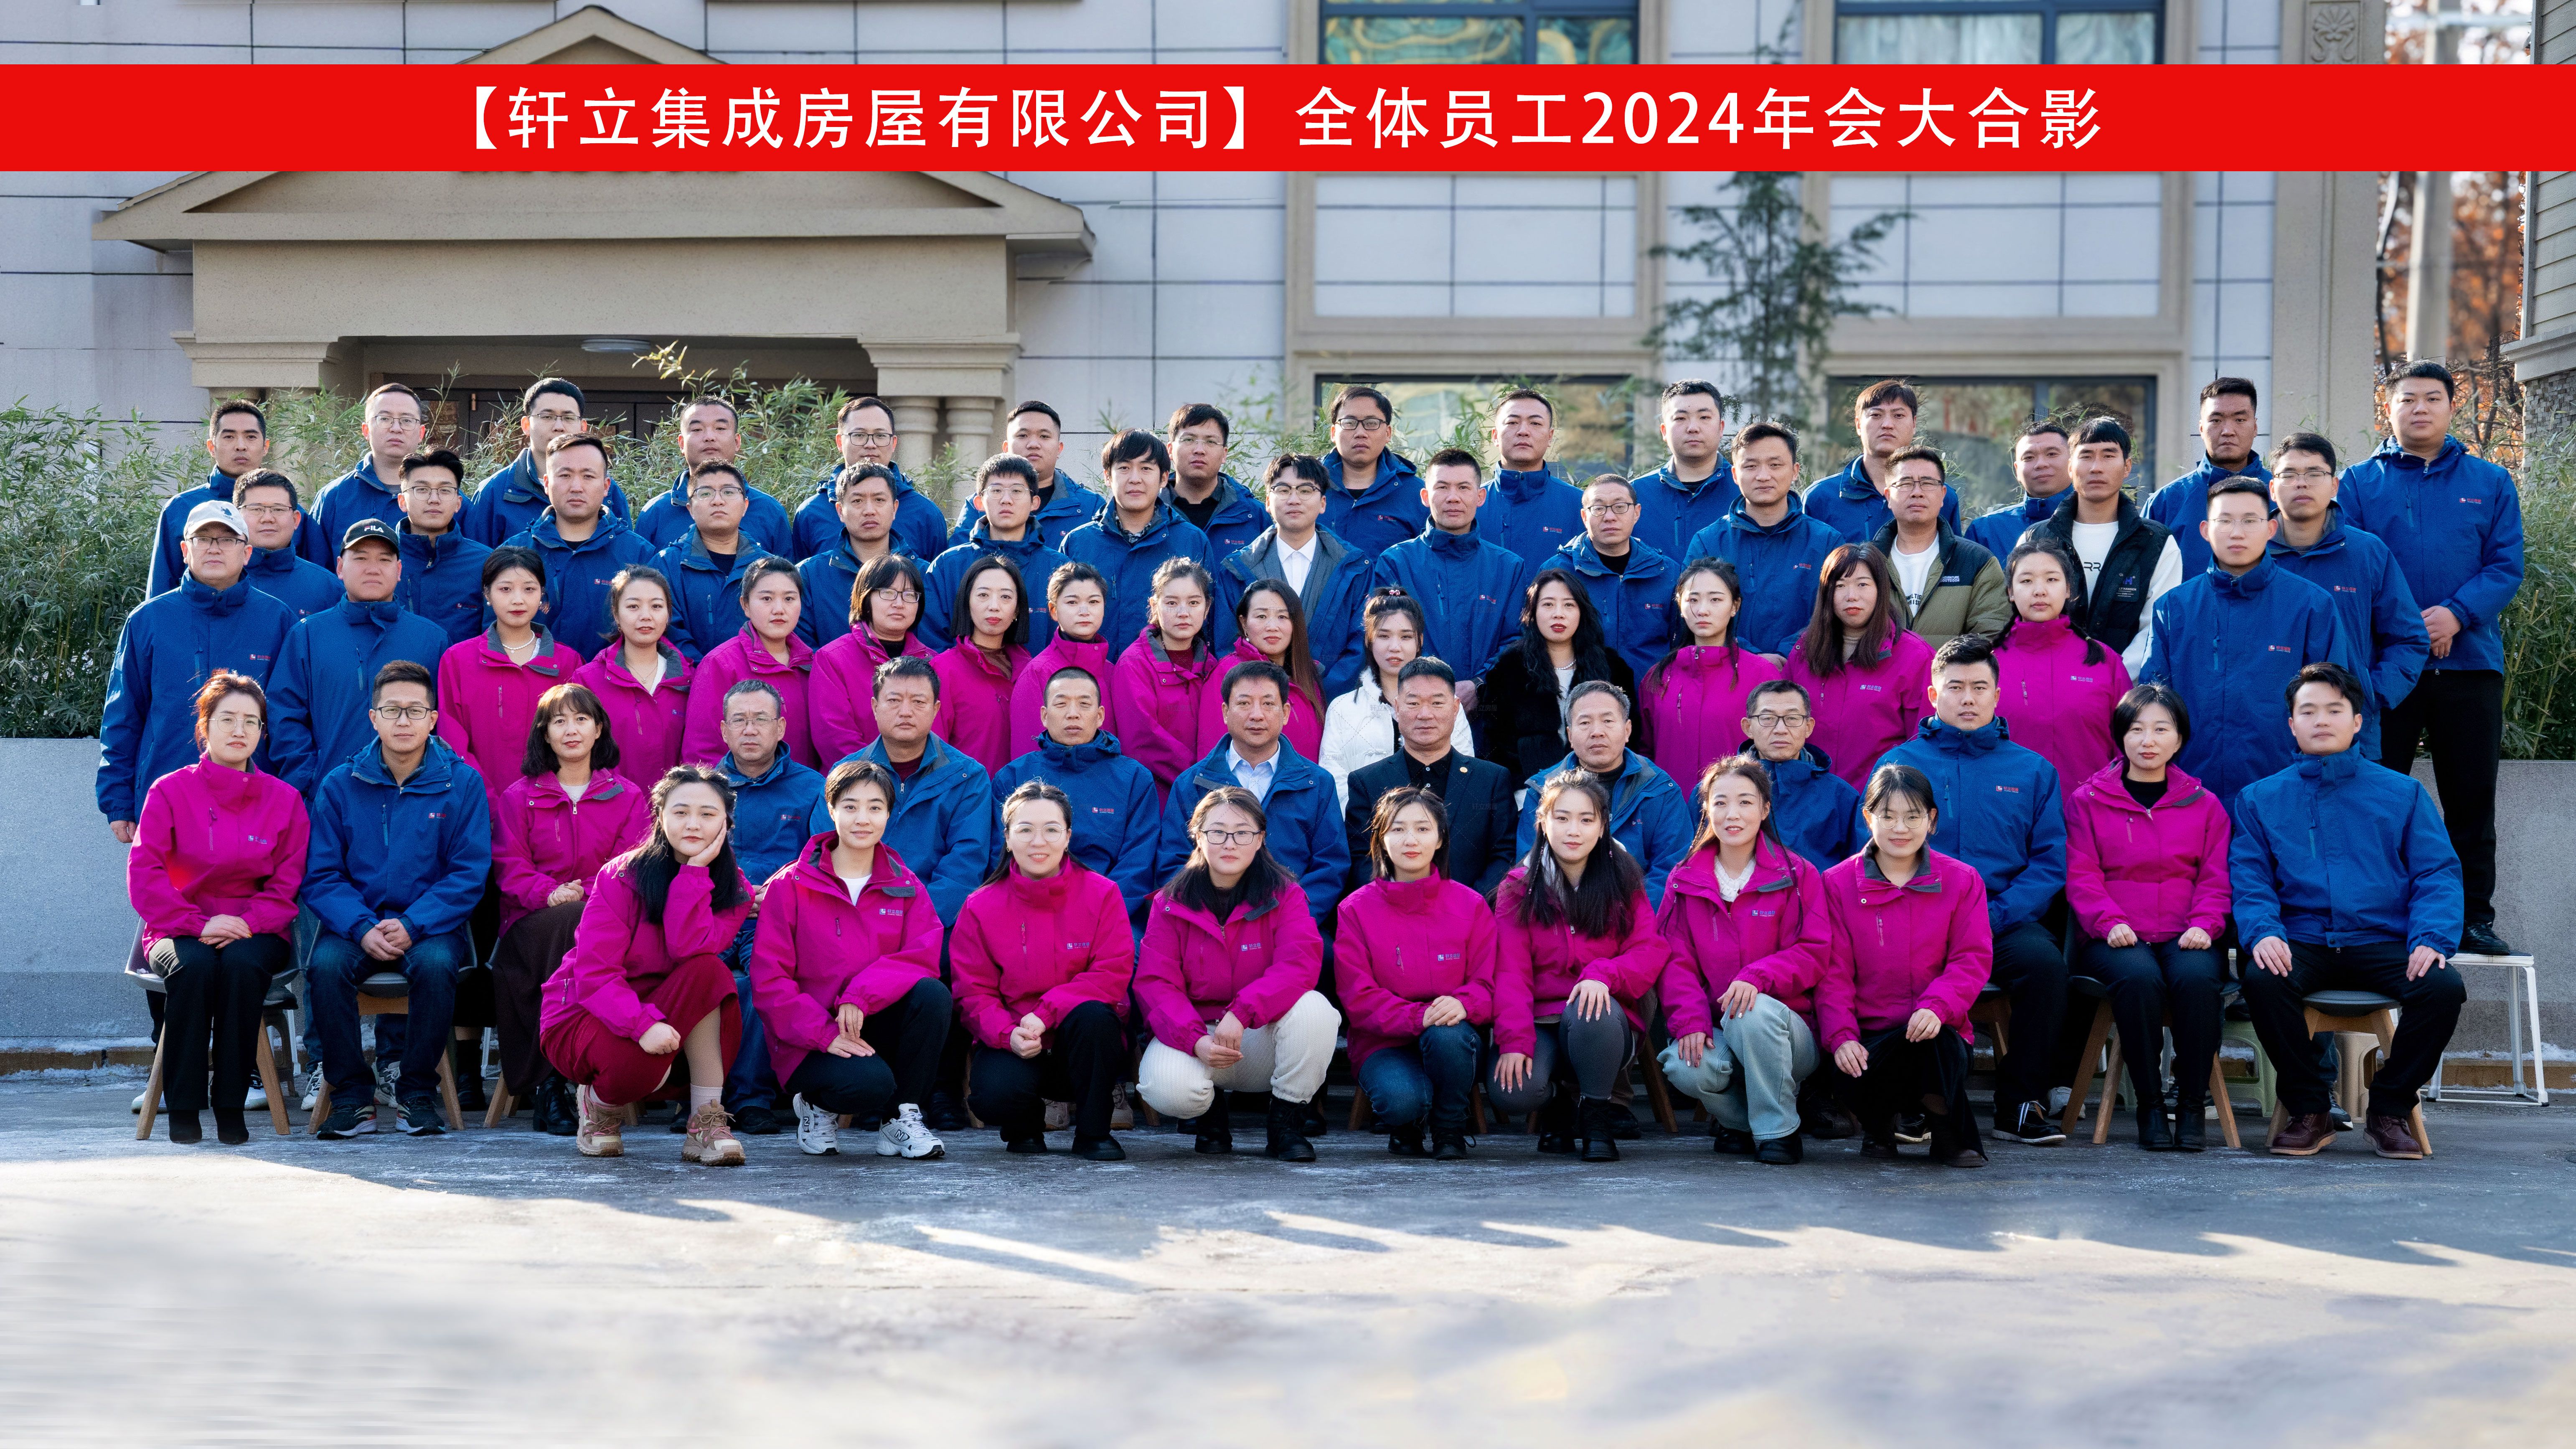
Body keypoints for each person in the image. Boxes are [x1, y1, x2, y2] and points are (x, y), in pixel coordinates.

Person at [2234, 662, 2465, 1160]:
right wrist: (2263, 932)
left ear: (2357, 721)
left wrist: (2431, 937)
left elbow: (2436, 873)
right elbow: (2250, 879)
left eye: (2334, 710)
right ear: (2291, 723)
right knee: (2261, 978)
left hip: (2380, 940)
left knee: (2442, 987)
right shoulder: (2260, 798)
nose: (2321, 720)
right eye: (2308, 711)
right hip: (2304, 939)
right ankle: (2309, 1109)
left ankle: (2389, 1107)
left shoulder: (2402, 793)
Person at [2337, 360, 2523, 956]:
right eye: (2407, 399)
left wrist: (2455, 614)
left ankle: (2472, 917)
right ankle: (2380, 914)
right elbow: (2353, 565)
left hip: (2469, 664)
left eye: (2431, 398)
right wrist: (2412, 630)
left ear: (2450, 406)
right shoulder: (2357, 484)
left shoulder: (2490, 481)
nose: (2419, 408)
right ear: (2387, 408)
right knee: (2377, 795)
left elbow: (2504, 565)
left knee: (2470, 798)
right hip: (2388, 669)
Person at [1872, 634, 2070, 1146]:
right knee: (1891, 965)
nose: (1967, 698)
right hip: (1915, 919)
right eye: (1955, 687)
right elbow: (1873, 851)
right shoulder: (1899, 766)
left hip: (2000, 921)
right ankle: (1912, 1099)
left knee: (2045, 967)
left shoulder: (2033, 771)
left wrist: (1994, 915)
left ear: (1996, 695)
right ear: (1933, 695)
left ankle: (2020, 1104)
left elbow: (2049, 864)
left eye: (1979, 687)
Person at [302, 660, 490, 1139]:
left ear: (433, 718)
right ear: (374, 718)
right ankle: (352, 1098)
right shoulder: (340, 784)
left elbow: (468, 872)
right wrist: (361, 926)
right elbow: (322, 875)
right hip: (355, 924)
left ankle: (416, 1093)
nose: (403, 721)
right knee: (325, 967)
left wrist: (414, 923)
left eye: (415, 710)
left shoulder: (462, 783)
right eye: (392, 710)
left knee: (435, 966)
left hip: (430, 925)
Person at [539, 764, 757, 1164]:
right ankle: (598, 1106)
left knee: (710, 971)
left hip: (664, 1009)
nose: (694, 824)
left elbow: (689, 948)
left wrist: (694, 873)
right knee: (641, 1067)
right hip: (587, 1011)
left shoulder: (734, 891)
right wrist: (642, 1024)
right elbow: (595, 973)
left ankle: (705, 1122)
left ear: (727, 822)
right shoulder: (621, 876)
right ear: (660, 816)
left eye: (708, 814)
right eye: (681, 812)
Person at [126, 672, 308, 1145]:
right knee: (195, 967)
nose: (239, 730)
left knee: (242, 968)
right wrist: (199, 922)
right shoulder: (168, 791)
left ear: (263, 731)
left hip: (257, 930)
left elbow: (286, 885)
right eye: (227, 719)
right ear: (205, 726)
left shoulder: (285, 800)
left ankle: (231, 1104)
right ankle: (183, 1105)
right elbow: (146, 876)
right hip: (177, 925)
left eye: (251, 721)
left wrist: (245, 921)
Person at [748, 759, 954, 1161]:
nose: (863, 819)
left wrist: (860, 996)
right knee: (869, 1086)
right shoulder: (791, 885)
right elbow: (771, 982)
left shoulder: (905, 884)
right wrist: (825, 1033)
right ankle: (816, 1106)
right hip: (808, 1036)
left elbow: (921, 958)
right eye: (850, 806)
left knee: (933, 995)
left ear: (889, 814)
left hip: (874, 1021)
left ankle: (900, 1119)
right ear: (831, 810)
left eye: (875, 807)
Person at [2064, 682, 2233, 1151]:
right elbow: (2082, 875)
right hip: (2116, 935)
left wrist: (2204, 924)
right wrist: (2108, 921)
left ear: (2179, 738)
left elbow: (2216, 878)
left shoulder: (2205, 804)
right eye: (2136, 729)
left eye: (2161, 729)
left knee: (2197, 981)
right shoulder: (2087, 801)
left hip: (2187, 932)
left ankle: (2193, 1105)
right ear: (2121, 735)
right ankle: (2151, 1105)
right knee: (2138, 979)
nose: (2148, 740)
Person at [1133, 786, 1339, 1159]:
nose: (1229, 843)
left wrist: (1242, 1012)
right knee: (1166, 1087)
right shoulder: (1170, 902)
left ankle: (1286, 1125)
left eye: (1242, 832)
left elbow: (1298, 965)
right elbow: (1156, 984)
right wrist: (1194, 1038)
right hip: (1198, 1036)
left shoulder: (1286, 895)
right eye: (1217, 832)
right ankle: (1211, 1118)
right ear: (1198, 835)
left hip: (1260, 1036)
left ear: (1260, 839)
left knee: (1316, 1011)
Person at [488, 683, 650, 1139]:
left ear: (599, 729)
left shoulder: (628, 796)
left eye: (581, 719)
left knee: (580, 921)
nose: (571, 729)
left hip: (612, 923)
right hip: (531, 924)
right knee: (570, 922)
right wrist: (549, 892)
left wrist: (588, 896)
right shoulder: (519, 797)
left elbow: (633, 866)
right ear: (544, 733)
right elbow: (509, 867)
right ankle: (554, 1082)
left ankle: (562, 1079)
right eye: (559, 721)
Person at [2139, 477, 2359, 809]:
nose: (2237, 532)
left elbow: (2333, 703)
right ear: (2205, 530)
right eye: (2224, 521)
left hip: (2284, 791)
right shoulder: (2173, 608)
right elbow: (2154, 700)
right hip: (2190, 791)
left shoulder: (2311, 605)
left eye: (2250, 521)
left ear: (2271, 528)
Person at [1656, 755, 1829, 1165]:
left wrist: (1757, 976)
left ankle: (1779, 1131)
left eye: (1745, 802)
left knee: (1749, 1012)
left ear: (1765, 808)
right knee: (1685, 1066)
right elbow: (1674, 962)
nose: (1732, 814)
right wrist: (1690, 1021)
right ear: (1706, 808)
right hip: (1719, 1028)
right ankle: (1739, 1122)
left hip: (1787, 1033)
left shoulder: (1797, 874)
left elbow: (1814, 951)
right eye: (1720, 802)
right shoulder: (1684, 878)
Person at [1487, 771, 1667, 1162]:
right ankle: (1559, 1105)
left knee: (1591, 1010)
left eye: (1586, 820)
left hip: (1604, 1020)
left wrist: (1602, 975)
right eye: (1562, 818)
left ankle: (1596, 1117)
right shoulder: (1518, 887)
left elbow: (1649, 950)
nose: (1574, 830)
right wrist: (1515, 1041)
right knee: (1513, 1092)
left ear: (1602, 826)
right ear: (1542, 821)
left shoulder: (1624, 878)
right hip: (1541, 1019)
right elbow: (1510, 973)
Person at [1820, 763, 1993, 1166]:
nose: (1900, 828)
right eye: (1888, 816)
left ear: (1932, 820)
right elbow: (1831, 972)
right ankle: (1878, 1127)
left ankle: (1946, 1132)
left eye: (1913, 816)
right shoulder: (1836, 883)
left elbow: (1971, 959)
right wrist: (1842, 1035)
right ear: (1868, 818)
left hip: (1936, 1033)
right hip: (1869, 1038)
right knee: (1852, 1063)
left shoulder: (1963, 880)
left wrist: (1937, 1006)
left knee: (1936, 1043)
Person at [952, 780, 1135, 1160]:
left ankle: (1094, 1133)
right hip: (1016, 1040)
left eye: (1052, 830)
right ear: (1007, 837)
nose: (1039, 842)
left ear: (1068, 836)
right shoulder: (980, 905)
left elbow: (1111, 973)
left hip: (1080, 1045)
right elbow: (973, 992)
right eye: (1025, 830)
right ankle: (1024, 1128)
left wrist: (1047, 1012)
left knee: (1096, 1017)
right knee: (993, 1095)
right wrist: (1008, 1034)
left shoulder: (1102, 893)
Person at [99, 500, 296, 845]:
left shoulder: (277, 619)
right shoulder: (148, 620)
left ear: (247, 552)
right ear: (185, 550)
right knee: (162, 883)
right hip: (165, 797)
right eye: (203, 538)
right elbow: (123, 715)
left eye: (227, 539)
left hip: (254, 801)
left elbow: (292, 719)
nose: (214, 548)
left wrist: (293, 792)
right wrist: (117, 799)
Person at [1336, 787, 1498, 1159]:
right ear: (1381, 839)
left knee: (1447, 1035)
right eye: (1398, 829)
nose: (1411, 840)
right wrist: (1418, 1016)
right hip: (1383, 1043)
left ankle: (1450, 1127)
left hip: (1452, 1037)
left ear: (1440, 839)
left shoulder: (1471, 905)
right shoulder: (1355, 910)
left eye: (1423, 829)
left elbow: (1488, 984)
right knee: (1403, 1100)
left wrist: (1464, 1003)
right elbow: (1359, 998)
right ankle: (1408, 1122)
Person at [2266, 431, 2428, 764]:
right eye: (2289, 474)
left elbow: (2409, 638)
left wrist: (2368, 693)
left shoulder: (2367, 553)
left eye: (2314, 473)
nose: (2301, 483)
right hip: (2264, 734)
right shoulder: (2252, 555)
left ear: (2334, 485)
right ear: (2272, 488)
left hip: (2349, 738)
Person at [711, 677, 827, 1132]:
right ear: (724, 729)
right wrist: (730, 897)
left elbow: (822, 860)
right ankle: (697, 1097)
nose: (750, 729)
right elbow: (678, 857)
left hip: (777, 918)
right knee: (691, 975)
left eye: (761, 719)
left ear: (781, 727)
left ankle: (751, 1099)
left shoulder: (813, 788)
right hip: (713, 913)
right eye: (739, 720)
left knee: (762, 978)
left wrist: (776, 896)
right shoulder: (703, 788)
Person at [806, 657, 996, 930]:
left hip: (933, 926)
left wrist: (909, 923)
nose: (906, 712)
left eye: (919, 702)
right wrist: (865, 921)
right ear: (875, 707)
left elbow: (965, 868)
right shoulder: (845, 774)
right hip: (853, 921)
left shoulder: (968, 777)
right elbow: (822, 854)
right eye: (894, 701)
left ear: (936, 709)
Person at [1160, 660, 1352, 928]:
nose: (1257, 715)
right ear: (1225, 712)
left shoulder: (1317, 783)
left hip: (1293, 923)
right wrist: (1218, 920)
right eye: (1244, 703)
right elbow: (1174, 863)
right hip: (1214, 926)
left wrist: (1291, 918)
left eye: (1268, 704)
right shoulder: (1192, 784)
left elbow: (1330, 865)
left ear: (1285, 713)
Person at [266, 519, 450, 796]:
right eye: (361, 558)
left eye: (384, 559)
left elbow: (445, 723)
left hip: (412, 800)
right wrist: (310, 781)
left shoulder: (431, 640)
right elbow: (284, 715)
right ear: (340, 567)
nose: (373, 568)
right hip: (329, 800)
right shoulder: (308, 636)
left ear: (399, 570)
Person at [990, 667, 1162, 918]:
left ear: (1100, 716)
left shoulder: (1134, 779)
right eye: (1061, 704)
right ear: (1045, 716)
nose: (1073, 714)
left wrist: (1098, 914)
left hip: (1108, 912)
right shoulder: (1013, 777)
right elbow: (1001, 856)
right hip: (1028, 909)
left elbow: (1137, 864)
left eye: (1084, 704)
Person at [1370, 447, 1532, 711]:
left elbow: (1517, 640)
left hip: (1487, 713)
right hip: (1413, 709)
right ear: (1425, 497)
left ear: (1480, 497)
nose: (1453, 498)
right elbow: (1385, 638)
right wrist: (1430, 689)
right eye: (1442, 487)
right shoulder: (1396, 563)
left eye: (1464, 488)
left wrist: (1479, 684)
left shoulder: (1509, 567)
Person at [433, 547, 587, 825]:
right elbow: (452, 741)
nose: (518, 600)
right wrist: (490, 803)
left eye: (529, 589)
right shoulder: (458, 661)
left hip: (553, 811)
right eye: (505, 589)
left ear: (542, 594)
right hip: (477, 811)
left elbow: (577, 742)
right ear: (487, 594)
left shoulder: (568, 663)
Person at [1344, 658, 1519, 898]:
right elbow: (1362, 858)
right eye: (1413, 703)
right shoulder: (1366, 782)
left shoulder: (1492, 780)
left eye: (1437, 703)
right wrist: (1400, 905)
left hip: (1472, 916)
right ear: (1397, 707)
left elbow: (1504, 854)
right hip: (1391, 913)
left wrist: (1466, 907)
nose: (1425, 715)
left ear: (1455, 708)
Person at [1510, 681, 1692, 908]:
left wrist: (1627, 917)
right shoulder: (1542, 791)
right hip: (1562, 917)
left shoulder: (1660, 789)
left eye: (1608, 721)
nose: (1597, 732)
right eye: (1585, 723)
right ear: (1570, 735)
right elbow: (1531, 867)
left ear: (1627, 730)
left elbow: (1671, 869)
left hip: (1636, 917)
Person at [2028, 416, 2185, 674]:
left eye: (2109, 456)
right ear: (2070, 467)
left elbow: (2156, 627)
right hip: (2048, 681)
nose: (2096, 468)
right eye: (2086, 456)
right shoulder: (2037, 538)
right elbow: (2022, 618)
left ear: (2127, 467)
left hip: (2125, 688)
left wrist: (2111, 678)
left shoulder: (2156, 542)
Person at [1213, 453, 1372, 697]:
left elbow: (1361, 643)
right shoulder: (1237, 570)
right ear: (1268, 502)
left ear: (1323, 503)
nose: (1294, 499)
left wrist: (1317, 696)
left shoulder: (1354, 567)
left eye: (1306, 490)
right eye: (1283, 490)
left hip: (1332, 704)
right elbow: (1227, 647)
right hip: (1259, 707)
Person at [1684, 421, 1846, 655]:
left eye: (1775, 465)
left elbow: (1837, 611)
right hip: (1729, 668)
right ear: (1735, 475)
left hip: (1806, 667)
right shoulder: (1708, 542)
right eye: (1751, 466)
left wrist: (1788, 654)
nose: (1763, 476)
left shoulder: (1827, 542)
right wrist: (1753, 660)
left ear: (1795, 471)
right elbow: (1692, 611)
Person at [1990, 538, 2134, 797]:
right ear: (2010, 592)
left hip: (2091, 809)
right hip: (2008, 808)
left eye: (2051, 579)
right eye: (2026, 581)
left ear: (2068, 589)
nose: (2040, 591)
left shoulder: (2104, 661)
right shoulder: (1987, 663)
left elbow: (2128, 744)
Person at [1785, 544, 1934, 792]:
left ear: (1881, 590)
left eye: (1862, 584)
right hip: (1808, 798)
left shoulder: (1915, 656)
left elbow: (1923, 744)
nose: (1851, 596)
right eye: (1840, 586)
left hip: (1878, 801)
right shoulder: (1805, 650)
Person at [502, 433, 658, 660]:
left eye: (588, 476)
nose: (576, 487)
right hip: (530, 678)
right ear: (547, 484)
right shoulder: (515, 553)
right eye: (565, 475)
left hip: (611, 679)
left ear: (606, 486)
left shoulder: (639, 555)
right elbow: (495, 634)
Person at [1059, 429, 1212, 660]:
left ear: (1164, 478)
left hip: (1168, 676)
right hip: (1090, 675)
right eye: (1124, 468)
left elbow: (1208, 624)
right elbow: (1060, 624)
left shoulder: (1192, 541)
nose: (1135, 479)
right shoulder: (1079, 543)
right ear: (1108, 477)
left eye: (1146, 468)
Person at [1637, 559, 1786, 796]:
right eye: (1693, 600)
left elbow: (1778, 752)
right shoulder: (1658, 677)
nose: (1702, 610)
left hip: (1738, 809)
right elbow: (1646, 753)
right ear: (1680, 605)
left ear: (1735, 606)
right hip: (1671, 810)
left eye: (1715, 600)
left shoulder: (1762, 674)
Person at [150, 399, 328, 594]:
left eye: (251, 437)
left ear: (266, 446)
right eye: (229, 437)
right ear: (211, 447)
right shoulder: (180, 509)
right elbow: (161, 591)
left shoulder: (288, 513)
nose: (241, 446)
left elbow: (315, 582)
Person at [1479, 568, 1636, 787]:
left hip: (1601, 788)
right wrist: (1523, 789)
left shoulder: (1612, 668)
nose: (1558, 614)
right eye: (1548, 605)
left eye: (1569, 605)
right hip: (1530, 790)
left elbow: (1631, 735)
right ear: (1533, 611)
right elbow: (1494, 739)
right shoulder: (1509, 667)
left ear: (1581, 611)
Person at [1318, 589, 1473, 809]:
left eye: (1406, 637)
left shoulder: (1447, 703)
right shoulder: (1342, 708)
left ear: (1419, 641)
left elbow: (1464, 775)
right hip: (1365, 825)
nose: (1395, 647)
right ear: (1369, 640)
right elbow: (1334, 780)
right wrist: (1376, 822)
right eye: (1384, 636)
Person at [920, 453, 1072, 652]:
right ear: (979, 503)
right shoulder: (948, 566)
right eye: (996, 491)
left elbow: (1070, 641)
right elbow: (931, 644)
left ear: (1035, 503)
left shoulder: (1059, 569)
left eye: (1017, 491)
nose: (1006, 500)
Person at [461, 380, 633, 547]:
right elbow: (477, 558)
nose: (559, 427)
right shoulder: (494, 491)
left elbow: (625, 550)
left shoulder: (607, 491)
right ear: (526, 425)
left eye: (568, 418)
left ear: (583, 427)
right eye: (547, 417)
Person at [681, 558, 818, 769]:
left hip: (806, 786)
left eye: (789, 599)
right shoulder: (719, 664)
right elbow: (702, 753)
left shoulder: (813, 663)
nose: (779, 609)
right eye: (767, 599)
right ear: (745, 605)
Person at [809, 554, 940, 765]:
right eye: (888, 593)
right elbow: (835, 739)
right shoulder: (832, 658)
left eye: (909, 595)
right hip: (856, 779)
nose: (899, 603)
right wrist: (880, 778)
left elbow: (939, 736)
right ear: (865, 597)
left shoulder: (933, 661)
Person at [1870, 448, 2007, 647]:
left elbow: (1990, 636)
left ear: (1943, 495)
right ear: (1889, 496)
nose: (1917, 493)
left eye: (1927, 483)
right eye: (1905, 484)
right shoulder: (1866, 562)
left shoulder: (1977, 562)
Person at [575, 566, 694, 789]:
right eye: (633, 607)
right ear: (616, 614)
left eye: (656, 606)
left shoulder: (690, 680)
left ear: (669, 614)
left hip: (677, 806)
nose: (646, 616)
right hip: (611, 804)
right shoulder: (587, 681)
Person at [1110, 557, 1223, 789]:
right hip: (1158, 793)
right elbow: (1143, 741)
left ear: (1207, 608)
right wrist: (1200, 779)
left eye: (1194, 603)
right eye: (1171, 603)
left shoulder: (1213, 666)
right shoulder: (1134, 664)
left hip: (1211, 791)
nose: (1183, 613)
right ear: (1154, 605)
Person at [1803, 380, 1961, 544]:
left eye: (1898, 415)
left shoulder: (1939, 497)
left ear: (1914, 424)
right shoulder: (1820, 497)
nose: (1887, 425)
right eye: (1876, 415)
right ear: (1858, 425)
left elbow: (1954, 557)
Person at [793, 396, 950, 561]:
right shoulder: (811, 513)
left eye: (881, 435)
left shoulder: (925, 514)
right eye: (859, 435)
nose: (870, 444)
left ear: (893, 443)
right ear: (840, 442)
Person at [634, 397, 794, 556]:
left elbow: (787, 572)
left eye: (720, 428)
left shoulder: (770, 511)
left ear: (737, 442)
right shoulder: (655, 513)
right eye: (697, 430)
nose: (709, 437)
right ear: (682, 444)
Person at [652, 459, 779, 660]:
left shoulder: (770, 569)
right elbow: (665, 633)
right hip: (688, 676)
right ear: (690, 509)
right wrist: (707, 671)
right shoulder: (665, 566)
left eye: (729, 492)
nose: (718, 501)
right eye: (705, 493)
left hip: (757, 676)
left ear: (745, 506)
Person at [1556, 473, 1678, 680]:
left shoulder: (1666, 573)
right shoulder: (1560, 572)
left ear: (1637, 513)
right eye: (1598, 508)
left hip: (1651, 693)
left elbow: (1683, 643)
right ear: (1585, 517)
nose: (1610, 517)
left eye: (1620, 507)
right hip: (1582, 694)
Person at [2149, 377, 2269, 581]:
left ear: (2255, 427)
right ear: (2201, 429)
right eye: (2216, 420)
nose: (2228, 431)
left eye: (2240, 420)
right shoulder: (2166, 502)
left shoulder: (2281, 496)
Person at [944, 401, 1103, 551]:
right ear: (1006, 448)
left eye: (1044, 436)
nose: (1033, 444)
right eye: (1022, 436)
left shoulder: (1090, 507)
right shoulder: (981, 504)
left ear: (1059, 449)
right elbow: (960, 563)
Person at [1739, 679, 1862, 871]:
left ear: (1809, 727)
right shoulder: (1719, 792)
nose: (1781, 730)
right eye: (1768, 718)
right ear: (1748, 727)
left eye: (1793, 718)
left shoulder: (1841, 796)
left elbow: (1858, 869)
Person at [1202, 577, 1329, 762]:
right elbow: (1212, 755)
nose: (1272, 627)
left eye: (1282, 617)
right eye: (1262, 616)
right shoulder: (1227, 673)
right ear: (1244, 623)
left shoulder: (1306, 675)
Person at [931, 554, 1033, 774]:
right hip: (968, 793)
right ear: (967, 602)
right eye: (983, 595)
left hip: (1027, 793)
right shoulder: (943, 669)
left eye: (1006, 597)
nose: (994, 607)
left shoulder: (1033, 670)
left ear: (1017, 609)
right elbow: (935, 753)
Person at [1010, 563, 1118, 755]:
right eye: (1072, 602)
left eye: (1094, 602)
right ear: (1053, 610)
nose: (1084, 611)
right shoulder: (1037, 673)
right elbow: (1028, 757)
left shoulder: (1112, 671)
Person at [794, 462, 905, 650]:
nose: (869, 510)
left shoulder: (921, 574)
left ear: (894, 509)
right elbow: (801, 651)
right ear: (840, 511)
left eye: (879, 500)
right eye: (857, 501)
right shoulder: (809, 576)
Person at [390, 449, 493, 646]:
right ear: (402, 502)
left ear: (458, 503)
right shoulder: (383, 560)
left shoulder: (486, 564)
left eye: (445, 490)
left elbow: (494, 641)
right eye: (422, 490)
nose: (434, 499)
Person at [310, 384, 428, 555]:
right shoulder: (333, 497)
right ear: (366, 430)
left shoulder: (444, 499)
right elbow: (315, 567)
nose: (396, 428)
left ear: (421, 433)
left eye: (407, 421)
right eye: (384, 419)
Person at [1629, 379, 1739, 563]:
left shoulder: (1745, 492)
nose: (1693, 428)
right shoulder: (1634, 496)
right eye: (1680, 419)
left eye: (1704, 418)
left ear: (1721, 428)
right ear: (1664, 431)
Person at [1318, 384, 1428, 559]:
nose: (1360, 433)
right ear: (1333, 433)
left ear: (1388, 433)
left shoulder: (1416, 494)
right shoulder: (1307, 486)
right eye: (1349, 423)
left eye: (1371, 423)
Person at [1479, 388, 1585, 564]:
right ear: (1495, 436)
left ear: (1550, 437)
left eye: (1535, 423)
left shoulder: (1580, 506)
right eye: (1513, 422)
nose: (1523, 431)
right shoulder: (1469, 505)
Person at [234, 472, 343, 622]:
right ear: (237, 517)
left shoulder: (327, 587)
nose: (268, 519)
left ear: (296, 520)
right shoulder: (217, 580)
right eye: (256, 509)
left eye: (278, 509)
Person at [1162, 403, 1267, 557]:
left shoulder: (1254, 515)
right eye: (1189, 440)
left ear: (1224, 454)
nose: (1199, 450)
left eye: (1211, 442)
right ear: (1170, 450)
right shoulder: (1150, 511)